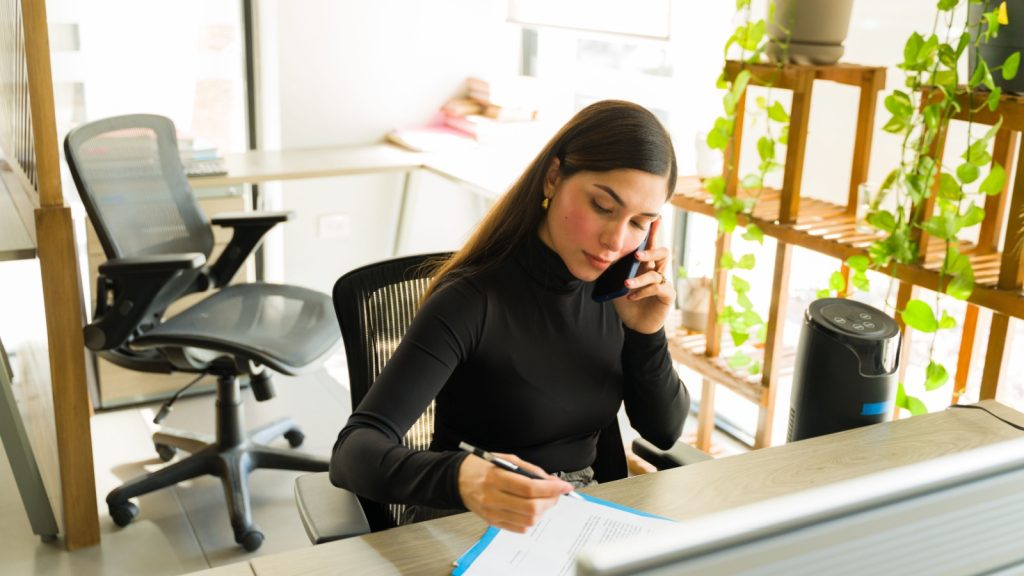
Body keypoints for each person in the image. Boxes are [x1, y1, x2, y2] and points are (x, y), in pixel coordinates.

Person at [330, 100, 689, 534]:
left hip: (583, 519)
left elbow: (663, 432)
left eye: (639, 222)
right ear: (554, 177)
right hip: (472, 519)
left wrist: (648, 333)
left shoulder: (617, 295)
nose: (616, 240)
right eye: (602, 206)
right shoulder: (470, 300)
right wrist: (461, 476)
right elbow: (353, 453)